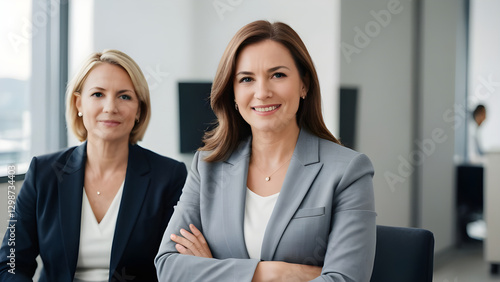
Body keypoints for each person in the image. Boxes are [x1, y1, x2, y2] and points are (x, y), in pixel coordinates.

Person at [155, 20, 376, 281]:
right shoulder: (207, 166)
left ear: (304, 85)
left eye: (278, 75)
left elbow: (345, 279)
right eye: (247, 79)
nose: (262, 92)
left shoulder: (348, 171)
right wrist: (275, 272)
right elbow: (169, 267)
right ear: (233, 94)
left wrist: (214, 269)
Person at [0, 49, 187, 282]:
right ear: (79, 103)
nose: (110, 107)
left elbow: (178, 265)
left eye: (125, 96)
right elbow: (11, 263)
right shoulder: (43, 173)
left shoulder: (169, 176)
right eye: (98, 94)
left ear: (139, 109)